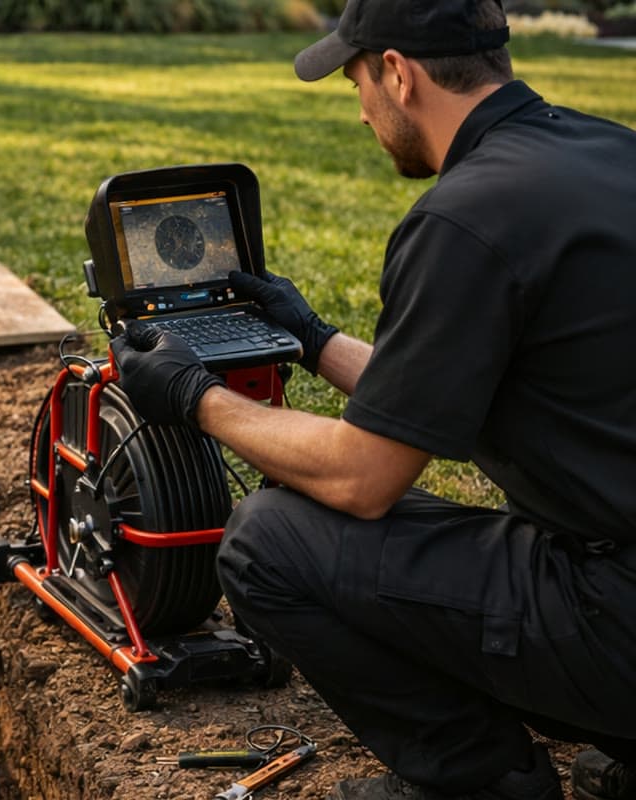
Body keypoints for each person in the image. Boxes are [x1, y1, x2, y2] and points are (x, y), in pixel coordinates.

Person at [110, 0, 636, 798]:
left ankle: (482, 782)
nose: (360, 109)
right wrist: (314, 339)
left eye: (356, 79)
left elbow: (363, 478)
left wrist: (194, 395)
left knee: (268, 541)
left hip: (619, 621)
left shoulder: (467, 218)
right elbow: (449, 395)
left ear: (398, 72)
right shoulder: (606, 153)